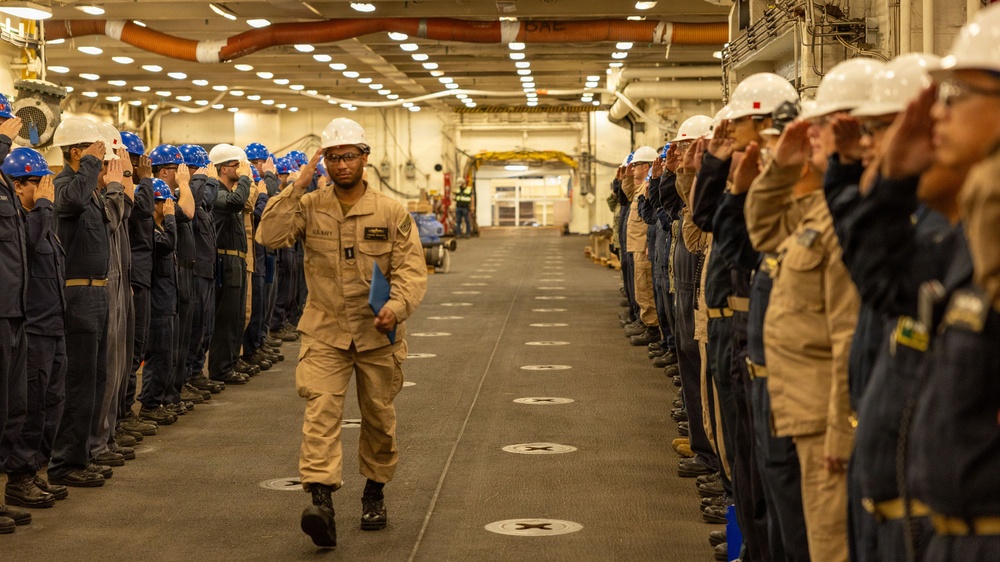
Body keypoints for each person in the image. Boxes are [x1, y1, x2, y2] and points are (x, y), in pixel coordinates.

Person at [257, 118, 427, 548]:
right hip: (325, 331)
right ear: (324, 162)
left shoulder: (391, 212)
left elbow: (411, 271)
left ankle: (374, 491)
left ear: (364, 158)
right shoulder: (310, 204)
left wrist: (395, 306)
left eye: (349, 155)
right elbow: (268, 235)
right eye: (333, 157)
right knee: (320, 414)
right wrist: (296, 186)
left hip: (377, 334)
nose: (341, 164)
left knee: (378, 418)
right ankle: (321, 502)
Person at [48, 117, 115, 488]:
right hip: (78, 296)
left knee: (96, 379)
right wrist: (89, 165)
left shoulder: (90, 190)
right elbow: (69, 201)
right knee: (78, 382)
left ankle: (83, 453)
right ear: (77, 151)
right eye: (95, 150)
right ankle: (65, 463)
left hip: (98, 292)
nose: (102, 158)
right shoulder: (63, 185)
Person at [0, 138, 46, 528]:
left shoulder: (13, 204)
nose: (43, 190)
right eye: (37, 183)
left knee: (12, 410)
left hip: (15, 314)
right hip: (1, 315)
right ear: (19, 183)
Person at [206, 144, 252, 386]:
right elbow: (236, 202)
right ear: (224, 169)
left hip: (236, 259)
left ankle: (231, 362)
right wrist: (245, 179)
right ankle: (220, 368)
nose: (242, 170)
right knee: (225, 318)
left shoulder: (229, 190)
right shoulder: (217, 192)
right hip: (225, 260)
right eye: (237, 166)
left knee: (235, 316)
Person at [138, 179, 178, 423]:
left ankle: (159, 400)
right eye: (164, 202)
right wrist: (172, 219)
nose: (168, 207)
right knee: (158, 356)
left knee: (167, 356)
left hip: (168, 300)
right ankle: (149, 405)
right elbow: (168, 245)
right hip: (157, 303)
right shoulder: (151, 231)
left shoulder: (161, 229)